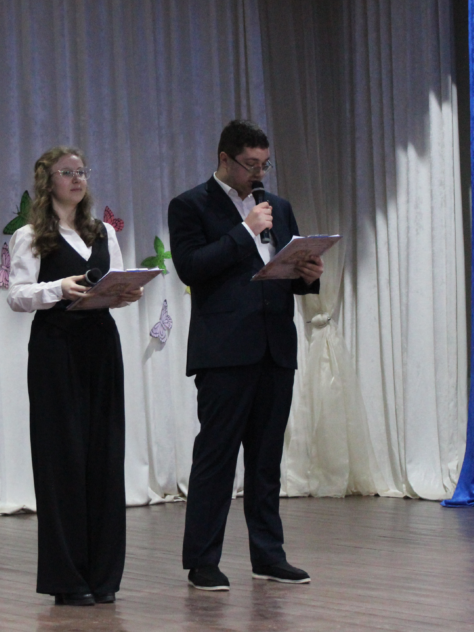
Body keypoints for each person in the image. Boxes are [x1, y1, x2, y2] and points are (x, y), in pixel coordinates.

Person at [167, 120, 323, 592]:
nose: (258, 174)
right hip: (224, 350)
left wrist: (308, 274)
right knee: (216, 457)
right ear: (224, 159)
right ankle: (202, 561)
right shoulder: (190, 205)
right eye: (250, 164)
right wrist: (243, 230)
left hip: (275, 346)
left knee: (265, 459)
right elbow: (191, 268)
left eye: (264, 165)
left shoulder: (279, 207)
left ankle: (269, 556)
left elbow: (287, 270)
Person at [7, 146, 143, 606]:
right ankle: (67, 580)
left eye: (82, 171)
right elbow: (16, 295)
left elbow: (116, 278)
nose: (77, 178)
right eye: (67, 172)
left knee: (105, 455)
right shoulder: (29, 236)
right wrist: (57, 288)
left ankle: (104, 576)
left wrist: (124, 292)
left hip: (100, 346)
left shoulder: (103, 231)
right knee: (61, 458)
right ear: (48, 181)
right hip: (56, 348)